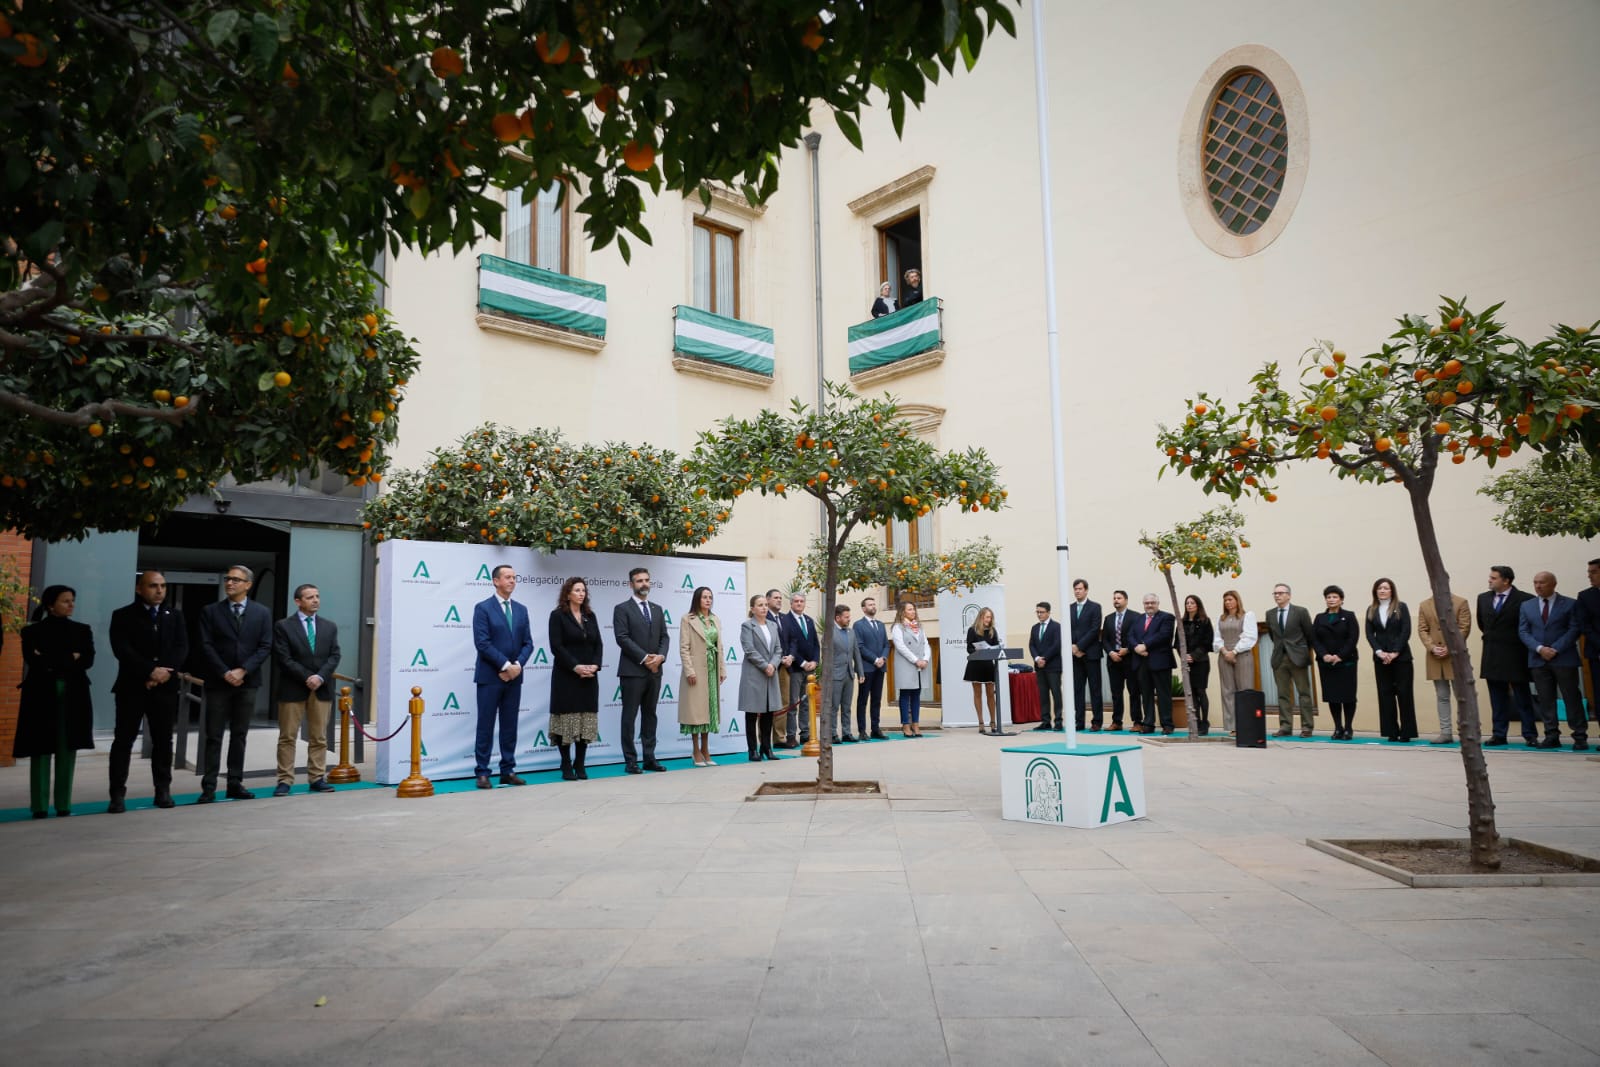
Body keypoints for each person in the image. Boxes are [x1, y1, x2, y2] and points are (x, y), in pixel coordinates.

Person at [107, 570, 188, 812]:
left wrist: (165, 672)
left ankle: (162, 790)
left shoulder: (174, 616)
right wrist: (150, 672)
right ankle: (117, 794)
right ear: (139, 588)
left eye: (162, 586)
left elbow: (181, 647)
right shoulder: (123, 616)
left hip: (164, 688)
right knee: (124, 740)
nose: (159, 590)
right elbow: (122, 649)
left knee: (163, 741)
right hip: (133, 686)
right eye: (153, 586)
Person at [14, 586, 94, 819]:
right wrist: (70, 657)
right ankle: (39, 805)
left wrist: (49, 657)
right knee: (41, 748)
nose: (71, 605)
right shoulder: (31, 632)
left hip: (73, 693)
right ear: (51, 605)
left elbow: (87, 660)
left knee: (66, 747)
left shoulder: (82, 630)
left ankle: (63, 804)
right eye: (65, 601)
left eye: (72, 601)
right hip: (41, 693)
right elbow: (34, 661)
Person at [197, 564, 273, 802]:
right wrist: (224, 672)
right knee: (214, 735)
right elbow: (205, 645)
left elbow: (265, 646)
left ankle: (234, 782)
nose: (230, 583)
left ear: (248, 585)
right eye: (228, 579)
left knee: (239, 734)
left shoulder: (262, 613)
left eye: (236, 580)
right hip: (219, 682)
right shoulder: (210, 611)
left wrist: (243, 670)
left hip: (247, 682)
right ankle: (209, 787)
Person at [271, 583, 342, 796]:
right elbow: (283, 658)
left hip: (321, 688)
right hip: (293, 688)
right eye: (310, 597)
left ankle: (317, 777)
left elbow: (334, 655)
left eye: (317, 596)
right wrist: (307, 677)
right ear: (298, 601)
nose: (315, 600)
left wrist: (320, 677)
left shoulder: (329, 626)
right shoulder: (283, 626)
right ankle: (285, 780)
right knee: (287, 736)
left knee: (319, 737)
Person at [472, 563, 533, 789]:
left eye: (514, 577)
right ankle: (482, 772)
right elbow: (482, 643)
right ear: (496, 581)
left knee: (510, 726)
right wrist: (506, 665)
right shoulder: (483, 608)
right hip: (490, 677)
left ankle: (507, 770)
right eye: (507, 577)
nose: (512, 581)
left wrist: (516, 665)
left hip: (514, 678)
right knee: (485, 725)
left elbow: (528, 643)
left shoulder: (521, 609)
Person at [1519, 570, 1586, 750]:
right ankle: (1551, 735)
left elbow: (1574, 629)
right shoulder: (1527, 606)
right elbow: (1523, 631)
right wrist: (1540, 649)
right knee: (1545, 699)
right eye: (1535, 582)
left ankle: (1579, 735)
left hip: (1564, 658)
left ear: (1553, 584)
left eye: (1542, 582)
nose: (1538, 586)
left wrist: (1555, 649)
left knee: (1571, 697)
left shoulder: (1570, 604)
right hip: (1538, 659)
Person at [614, 566, 670, 773]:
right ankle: (630, 760)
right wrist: (645, 658)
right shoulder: (622, 609)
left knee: (650, 715)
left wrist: (660, 657)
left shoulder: (657, 609)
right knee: (629, 716)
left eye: (646, 580)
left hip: (655, 671)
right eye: (639, 581)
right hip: (632, 671)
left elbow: (665, 636)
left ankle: (649, 758)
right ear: (631, 584)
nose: (644, 584)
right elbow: (622, 637)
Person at [1477, 565, 1537, 747]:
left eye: (1493, 578)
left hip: (1515, 654)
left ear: (1506, 581)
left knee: (1522, 696)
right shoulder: (1483, 598)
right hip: (1492, 654)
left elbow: (1528, 626)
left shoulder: (1525, 599)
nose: (1489, 580)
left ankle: (1530, 734)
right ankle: (1499, 734)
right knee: (1497, 697)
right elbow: (1482, 623)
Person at [549, 576, 603, 780]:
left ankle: (580, 763)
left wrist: (595, 666)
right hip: (566, 676)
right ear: (568, 593)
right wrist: (576, 667)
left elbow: (599, 644)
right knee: (567, 721)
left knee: (585, 721)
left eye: (583, 591)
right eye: (577, 590)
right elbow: (557, 646)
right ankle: (565, 764)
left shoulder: (591, 615)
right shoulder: (557, 616)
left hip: (589, 676)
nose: (581, 594)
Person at [678, 585, 725, 766]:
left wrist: (722, 669)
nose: (708, 600)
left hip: (712, 670)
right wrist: (689, 670)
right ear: (697, 599)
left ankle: (706, 749)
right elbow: (684, 647)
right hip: (696, 671)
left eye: (710, 597)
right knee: (695, 712)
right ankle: (695, 750)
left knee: (709, 710)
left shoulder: (715, 619)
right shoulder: (687, 619)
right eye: (704, 597)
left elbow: (720, 647)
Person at [1365, 578, 1417, 743]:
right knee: (1385, 694)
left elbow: (1405, 630)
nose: (1382, 591)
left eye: (1386, 588)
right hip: (1381, 659)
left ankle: (1406, 731)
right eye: (1379, 588)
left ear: (1392, 591)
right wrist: (1379, 652)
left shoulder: (1401, 607)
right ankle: (1391, 731)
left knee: (1404, 693)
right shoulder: (1371, 609)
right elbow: (1369, 634)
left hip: (1401, 658)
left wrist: (1395, 652)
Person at [1416, 590, 1471, 744]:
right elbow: (1422, 629)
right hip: (1435, 656)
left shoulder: (1461, 602)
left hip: (1455, 655)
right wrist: (1431, 647)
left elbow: (1464, 628)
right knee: (1442, 695)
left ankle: (1466, 732)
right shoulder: (1424, 605)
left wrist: (1451, 646)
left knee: (1461, 696)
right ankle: (1446, 732)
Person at [1263, 583, 1316, 737]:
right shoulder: (1270, 614)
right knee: (1282, 694)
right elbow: (1273, 636)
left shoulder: (1300, 611)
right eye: (1275, 593)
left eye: (1280, 593)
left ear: (1289, 595)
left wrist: (1303, 652)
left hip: (1298, 658)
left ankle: (1307, 727)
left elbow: (1309, 634)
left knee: (1304, 693)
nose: (1277, 596)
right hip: (1279, 658)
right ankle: (1285, 726)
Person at [1311, 585, 1360, 740]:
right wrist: (1324, 654)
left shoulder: (1349, 616)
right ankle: (1338, 727)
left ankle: (1348, 728)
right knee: (1333, 696)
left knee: (1347, 696)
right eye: (1328, 597)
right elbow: (1315, 639)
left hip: (1346, 663)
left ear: (1341, 599)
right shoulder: (1320, 618)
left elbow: (1353, 638)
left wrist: (1340, 656)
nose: (1331, 600)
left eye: (1334, 597)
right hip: (1326, 664)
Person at [739, 594, 783, 761]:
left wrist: (773, 664)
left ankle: (767, 748)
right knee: (752, 714)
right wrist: (766, 666)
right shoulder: (747, 626)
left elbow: (779, 649)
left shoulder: (772, 625)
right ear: (752, 609)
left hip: (771, 674)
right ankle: (753, 750)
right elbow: (749, 650)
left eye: (765, 604)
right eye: (760, 605)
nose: (764, 607)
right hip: (754, 674)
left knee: (768, 713)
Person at [1130, 593, 1176, 734]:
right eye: (1147, 603)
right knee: (1146, 694)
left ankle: (1167, 724)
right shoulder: (1138, 619)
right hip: (1142, 662)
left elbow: (1164, 635)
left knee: (1163, 694)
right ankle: (1148, 724)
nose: (1149, 605)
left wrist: (1145, 645)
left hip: (1160, 662)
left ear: (1158, 603)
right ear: (1143, 604)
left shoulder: (1167, 617)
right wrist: (1136, 648)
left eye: (1152, 603)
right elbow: (1130, 635)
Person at [1212, 590, 1256, 736]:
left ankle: (1247, 724)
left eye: (1230, 599)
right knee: (1227, 690)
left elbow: (1249, 637)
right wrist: (1225, 652)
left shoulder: (1247, 615)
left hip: (1242, 655)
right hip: (1224, 656)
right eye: (1225, 600)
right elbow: (1217, 638)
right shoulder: (1221, 618)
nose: (1228, 602)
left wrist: (1234, 651)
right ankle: (1233, 726)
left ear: (1237, 600)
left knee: (1244, 689)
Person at [779, 592, 819, 748]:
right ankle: (791, 735)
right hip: (795, 668)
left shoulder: (808, 620)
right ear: (791, 604)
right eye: (796, 601)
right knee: (793, 703)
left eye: (802, 601)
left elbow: (816, 644)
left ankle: (805, 733)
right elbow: (789, 645)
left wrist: (815, 661)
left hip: (810, 669)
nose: (799, 604)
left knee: (806, 703)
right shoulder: (786, 620)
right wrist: (802, 663)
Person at [890, 601, 931, 737]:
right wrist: (916, 660)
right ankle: (906, 725)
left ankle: (916, 724)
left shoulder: (919, 627)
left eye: (913, 609)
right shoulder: (898, 627)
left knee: (916, 696)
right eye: (909, 609)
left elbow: (926, 644)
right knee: (905, 695)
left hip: (919, 665)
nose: (913, 612)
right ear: (903, 612)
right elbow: (901, 646)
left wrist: (925, 659)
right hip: (906, 665)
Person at [825, 604, 865, 742]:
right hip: (835, 675)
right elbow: (826, 655)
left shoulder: (851, 632)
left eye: (849, 616)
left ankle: (847, 732)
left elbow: (856, 652)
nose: (849, 619)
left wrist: (860, 672)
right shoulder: (829, 632)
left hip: (849, 674)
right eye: (846, 617)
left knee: (847, 706)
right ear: (837, 618)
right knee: (834, 706)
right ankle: (832, 733)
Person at [1069, 580, 1104, 730]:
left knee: (1095, 689)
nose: (1077, 591)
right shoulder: (1069, 608)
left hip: (1091, 654)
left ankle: (1097, 721)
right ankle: (1079, 722)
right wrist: (1073, 647)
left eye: (1080, 589)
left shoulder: (1095, 607)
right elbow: (1067, 628)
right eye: (1075, 589)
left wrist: (1080, 646)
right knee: (1077, 689)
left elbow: (1094, 629)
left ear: (1086, 590)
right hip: (1074, 655)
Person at [853, 596, 889, 740]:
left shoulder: (881, 625)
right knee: (863, 700)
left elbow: (886, 644)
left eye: (874, 604)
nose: (873, 606)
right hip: (867, 668)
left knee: (877, 699)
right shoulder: (858, 625)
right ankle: (862, 730)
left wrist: (883, 658)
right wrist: (875, 660)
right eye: (870, 605)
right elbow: (859, 646)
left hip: (880, 668)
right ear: (863, 608)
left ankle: (876, 728)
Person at [1101, 591, 1137, 730]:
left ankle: (1137, 721)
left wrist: (1127, 649)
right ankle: (1117, 722)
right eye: (1114, 598)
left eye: (1119, 598)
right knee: (1116, 693)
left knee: (1134, 691)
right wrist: (1110, 652)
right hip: (1113, 660)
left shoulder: (1135, 616)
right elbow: (1104, 639)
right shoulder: (1109, 618)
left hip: (1130, 659)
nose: (1116, 600)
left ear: (1126, 600)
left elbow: (1137, 636)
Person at [962, 606, 1001, 731]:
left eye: (990, 617)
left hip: (988, 665)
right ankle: (981, 723)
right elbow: (969, 648)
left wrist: (993, 649)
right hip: (976, 664)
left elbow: (997, 647)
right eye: (987, 617)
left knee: (990, 694)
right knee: (977, 694)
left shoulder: (992, 631)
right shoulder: (972, 630)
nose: (988, 620)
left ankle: (993, 722)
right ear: (981, 617)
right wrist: (978, 650)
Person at [1181, 595, 1214, 735]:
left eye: (1192, 603)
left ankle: (1204, 723)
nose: (1189, 605)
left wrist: (1193, 656)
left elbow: (1207, 642)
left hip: (1201, 662)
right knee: (1192, 693)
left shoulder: (1205, 621)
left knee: (1200, 691)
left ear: (1198, 605)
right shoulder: (1182, 622)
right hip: (1186, 662)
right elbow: (1177, 643)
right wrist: (1184, 656)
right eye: (1187, 603)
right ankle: (1196, 721)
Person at [1027, 601, 1063, 731]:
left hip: (1053, 665)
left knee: (1056, 693)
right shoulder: (1035, 628)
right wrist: (1037, 658)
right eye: (1037, 612)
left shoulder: (1056, 627)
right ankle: (1045, 721)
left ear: (1048, 612)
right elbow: (1031, 645)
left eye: (1041, 612)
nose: (1039, 614)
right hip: (1039, 666)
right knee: (1043, 694)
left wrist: (1045, 658)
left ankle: (1058, 721)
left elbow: (1057, 644)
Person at [1580, 558, 1600, 727]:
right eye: (1589, 573)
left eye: (1593, 572)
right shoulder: (1586, 596)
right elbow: (1585, 625)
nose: (1590, 576)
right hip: (1597, 653)